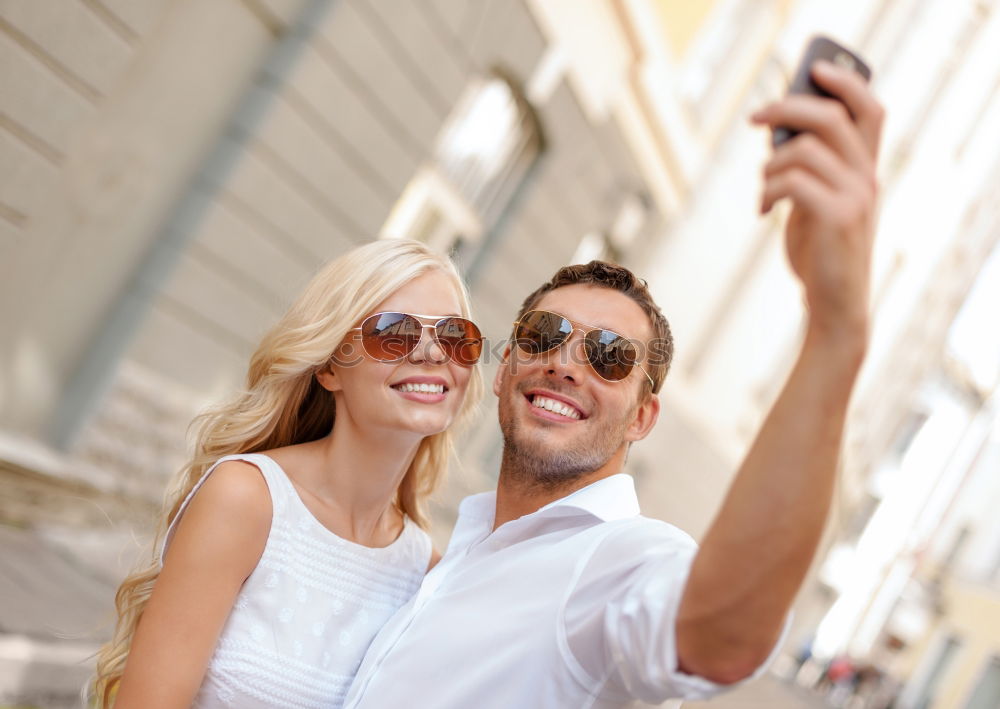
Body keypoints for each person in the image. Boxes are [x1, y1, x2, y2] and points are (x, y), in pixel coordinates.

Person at [342, 59, 884, 708]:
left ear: (641, 417)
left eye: (608, 355)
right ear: (506, 365)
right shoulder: (453, 550)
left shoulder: (616, 560)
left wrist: (836, 329)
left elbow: (718, 635)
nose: (566, 363)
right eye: (545, 334)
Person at [91, 239, 484, 708]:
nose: (431, 353)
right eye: (393, 331)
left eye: (454, 336)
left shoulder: (424, 571)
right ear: (330, 368)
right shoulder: (246, 499)